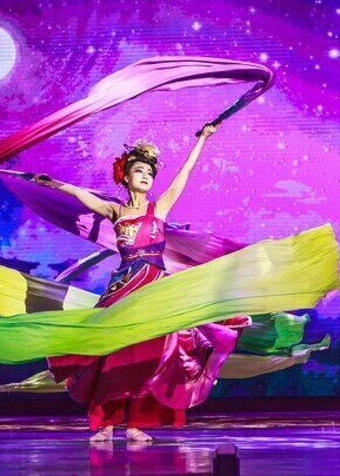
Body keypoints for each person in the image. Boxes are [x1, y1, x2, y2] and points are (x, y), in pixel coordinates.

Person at [34, 125, 247, 442]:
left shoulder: (158, 208)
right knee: (111, 355)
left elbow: (184, 175)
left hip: (153, 288)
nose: (146, 176)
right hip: (123, 287)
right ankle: (106, 423)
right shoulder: (116, 211)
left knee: (149, 358)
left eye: (149, 172)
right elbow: (83, 196)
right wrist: (55, 185)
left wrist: (202, 139)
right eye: (139, 170)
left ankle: (136, 423)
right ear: (125, 176)